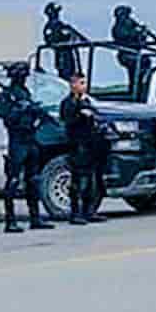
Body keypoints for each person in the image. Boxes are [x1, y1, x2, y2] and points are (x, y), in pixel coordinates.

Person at [0, 61, 52, 232]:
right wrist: (20, 110)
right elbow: (7, 119)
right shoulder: (8, 94)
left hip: (30, 139)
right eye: (21, 75)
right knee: (13, 181)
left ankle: (35, 218)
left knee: (33, 180)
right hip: (17, 141)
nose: (24, 78)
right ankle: (10, 220)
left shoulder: (24, 92)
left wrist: (37, 112)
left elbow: (34, 113)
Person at [59, 72, 105, 223]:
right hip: (77, 145)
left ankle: (89, 211)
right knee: (78, 179)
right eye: (81, 83)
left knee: (91, 179)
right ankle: (75, 213)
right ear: (73, 85)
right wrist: (80, 113)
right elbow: (68, 121)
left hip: (90, 144)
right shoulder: (68, 103)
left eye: (84, 83)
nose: (83, 87)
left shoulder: (87, 101)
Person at [109, 5, 156, 97]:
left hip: (134, 52)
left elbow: (140, 35)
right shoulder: (119, 27)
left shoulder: (130, 22)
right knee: (135, 71)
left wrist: (143, 32)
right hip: (127, 54)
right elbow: (125, 36)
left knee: (143, 67)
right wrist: (138, 32)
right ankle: (136, 90)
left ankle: (141, 89)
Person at [41, 2, 88, 82]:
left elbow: (82, 39)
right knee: (65, 76)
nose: (55, 15)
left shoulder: (63, 26)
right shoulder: (50, 28)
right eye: (54, 13)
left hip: (68, 56)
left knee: (72, 75)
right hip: (62, 56)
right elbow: (49, 41)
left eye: (56, 13)